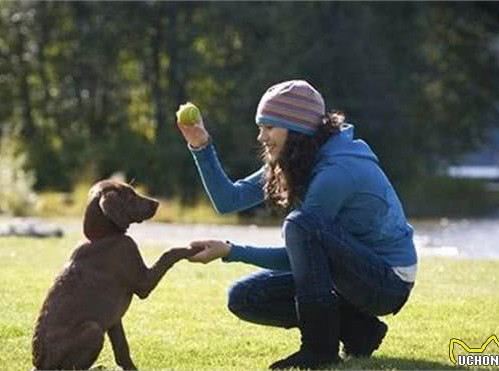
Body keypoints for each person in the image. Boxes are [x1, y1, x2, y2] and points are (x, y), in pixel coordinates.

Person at [176, 80, 417, 369]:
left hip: (387, 282)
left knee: (300, 225)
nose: (261, 137)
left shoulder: (336, 172)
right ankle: (359, 329)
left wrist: (231, 251)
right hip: (350, 275)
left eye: (269, 127)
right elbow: (229, 200)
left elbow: (297, 255)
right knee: (244, 296)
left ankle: (319, 351)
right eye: (260, 126)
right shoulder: (300, 156)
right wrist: (200, 145)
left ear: (297, 129)